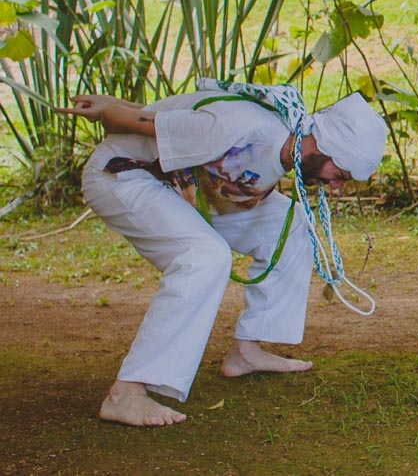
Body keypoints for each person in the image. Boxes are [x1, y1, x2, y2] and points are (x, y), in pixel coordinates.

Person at [60, 86, 387, 426]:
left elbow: (180, 121)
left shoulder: (286, 142)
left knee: (293, 224)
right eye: (340, 175)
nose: (336, 185)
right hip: (122, 175)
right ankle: (125, 394)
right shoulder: (244, 127)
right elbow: (146, 123)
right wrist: (109, 107)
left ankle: (246, 351)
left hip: (189, 191)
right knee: (206, 255)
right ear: (325, 147)